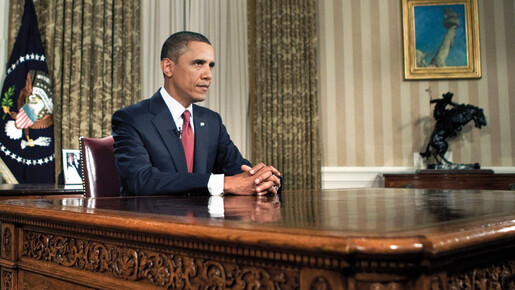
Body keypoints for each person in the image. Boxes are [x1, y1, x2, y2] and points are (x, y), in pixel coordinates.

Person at [112, 31, 281, 196]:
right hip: (151, 220)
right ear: (168, 67)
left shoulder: (211, 121)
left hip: (205, 221)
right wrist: (223, 183)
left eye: (211, 66)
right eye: (198, 64)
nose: (208, 75)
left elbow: (241, 172)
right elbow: (141, 180)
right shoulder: (131, 119)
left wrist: (264, 180)